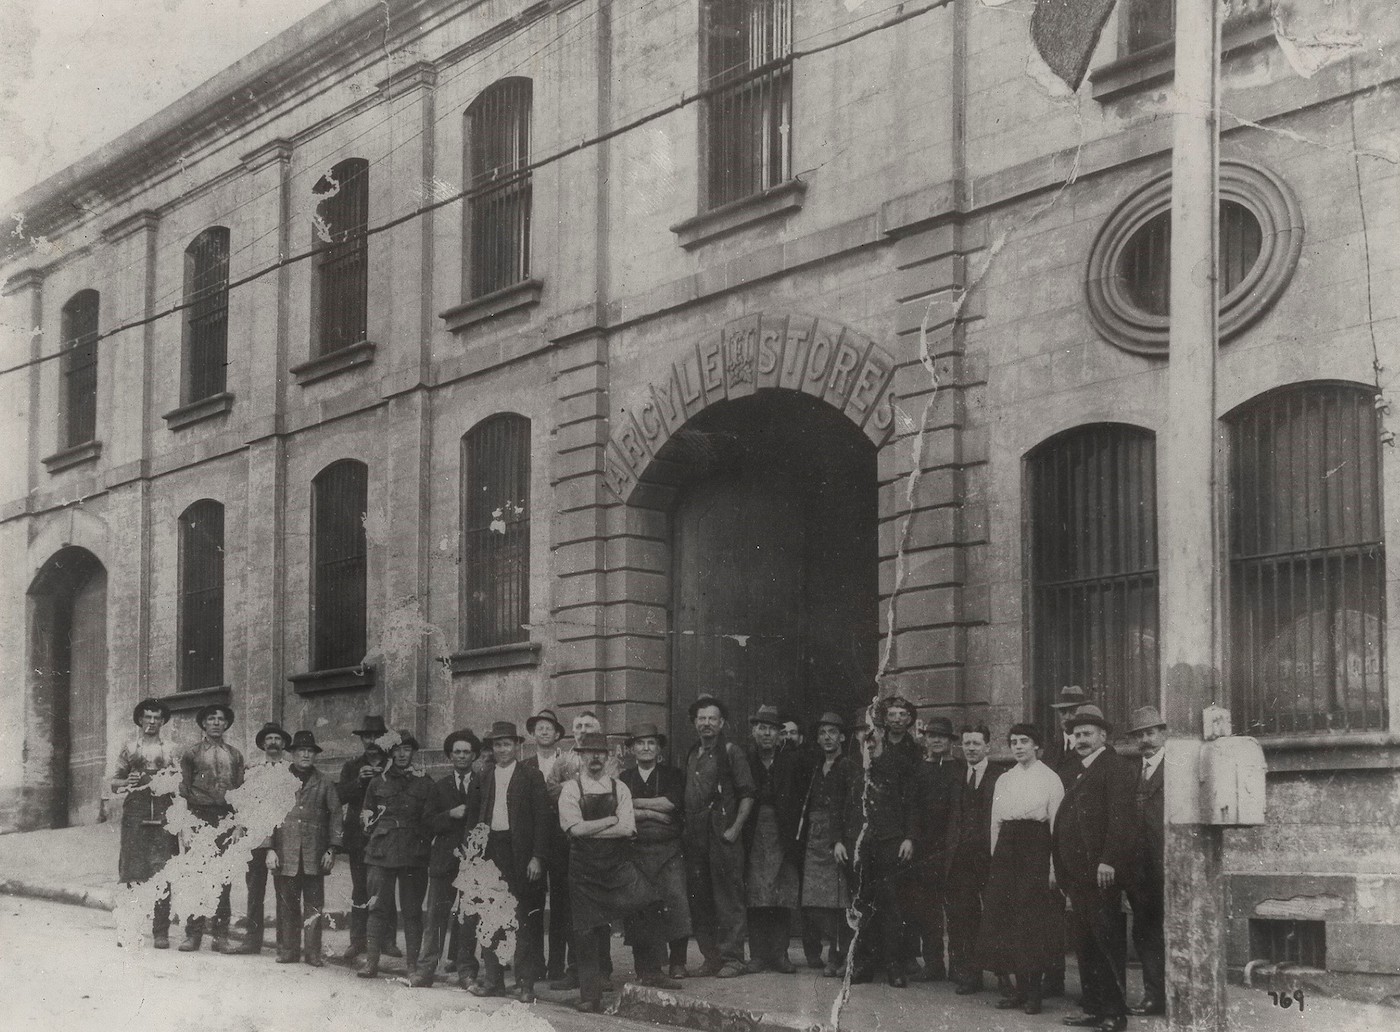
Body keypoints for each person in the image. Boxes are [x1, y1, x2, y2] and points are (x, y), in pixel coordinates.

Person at [560, 732, 679, 1012]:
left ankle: (650, 971)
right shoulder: (571, 789)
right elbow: (574, 829)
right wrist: (611, 819)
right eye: (588, 752)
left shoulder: (620, 788)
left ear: (609, 756)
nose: (595, 758)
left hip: (617, 867)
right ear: (580, 756)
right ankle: (590, 994)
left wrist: (595, 829)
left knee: (649, 902)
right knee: (586, 931)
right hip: (584, 873)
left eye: (600, 753)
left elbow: (628, 829)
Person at [1054, 705, 1139, 1032]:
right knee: (1085, 945)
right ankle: (1093, 1008)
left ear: (1103, 736)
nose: (1080, 739)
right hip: (1079, 875)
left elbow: (1123, 821)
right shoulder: (1079, 769)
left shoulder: (1114, 767)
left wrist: (1109, 860)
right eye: (1076, 734)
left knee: (1106, 945)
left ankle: (1114, 1015)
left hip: (1101, 874)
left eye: (1087, 734)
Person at [973, 723, 1065, 1014]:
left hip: (1036, 848)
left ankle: (1034, 993)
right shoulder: (1005, 779)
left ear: (1036, 745)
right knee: (1005, 918)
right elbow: (995, 823)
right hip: (1006, 852)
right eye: (1013, 742)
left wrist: (1053, 868)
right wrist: (995, 859)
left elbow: (1056, 826)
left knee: (1032, 921)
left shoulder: (1050, 779)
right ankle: (1016, 990)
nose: (1018, 746)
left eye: (1025, 741)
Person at [468, 720, 551, 1003]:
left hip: (521, 855)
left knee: (522, 919)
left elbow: (543, 820)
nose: (502, 749)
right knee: (490, 917)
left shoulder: (531, 776)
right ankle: (493, 980)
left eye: (507, 744)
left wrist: (537, 857)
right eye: (497, 744)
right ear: (491, 748)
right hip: (491, 853)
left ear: (517, 746)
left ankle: (526, 983)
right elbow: (474, 818)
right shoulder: (483, 776)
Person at [837, 715, 914, 987]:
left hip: (890, 844)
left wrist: (909, 838)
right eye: (862, 733)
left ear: (881, 732)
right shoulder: (852, 768)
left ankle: (894, 965)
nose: (868, 739)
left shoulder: (898, 765)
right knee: (862, 904)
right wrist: (839, 840)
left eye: (872, 733)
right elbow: (842, 808)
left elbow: (911, 805)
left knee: (891, 905)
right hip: (860, 846)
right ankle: (866, 964)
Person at [683, 694, 755, 978]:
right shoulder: (692, 754)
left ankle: (733, 958)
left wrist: (734, 829)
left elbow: (748, 794)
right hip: (695, 836)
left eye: (712, 718)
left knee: (729, 896)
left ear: (722, 722)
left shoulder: (731, 751)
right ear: (695, 724)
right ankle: (711, 958)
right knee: (700, 897)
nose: (706, 724)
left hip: (723, 834)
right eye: (701, 719)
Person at [619, 722, 692, 979]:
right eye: (640, 743)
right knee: (640, 906)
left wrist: (637, 806)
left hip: (669, 850)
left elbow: (671, 803)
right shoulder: (625, 778)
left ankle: (678, 961)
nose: (646, 748)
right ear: (632, 749)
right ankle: (646, 965)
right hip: (636, 851)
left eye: (651, 743)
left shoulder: (672, 774)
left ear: (659, 748)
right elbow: (622, 808)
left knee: (676, 900)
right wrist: (653, 812)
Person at [411, 728, 482, 988]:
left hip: (473, 861)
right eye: (457, 752)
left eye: (466, 752)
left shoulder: (483, 783)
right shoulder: (439, 786)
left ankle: (466, 971)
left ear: (474, 755)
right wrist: (450, 814)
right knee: (435, 919)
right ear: (450, 756)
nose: (462, 756)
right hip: (443, 862)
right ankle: (426, 969)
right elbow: (426, 822)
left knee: (469, 918)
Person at [357, 730, 432, 979]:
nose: (402, 754)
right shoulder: (378, 782)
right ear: (390, 753)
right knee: (377, 907)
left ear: (413, 752)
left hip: (413, 852)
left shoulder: (424, 781)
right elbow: (365, 814)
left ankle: (412, 967)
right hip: (381, 851)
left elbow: (431, 817)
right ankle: (371, 963)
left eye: (407, 749)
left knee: (412, 910)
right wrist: (368, 823)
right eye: (397, 750)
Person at [264, 731, 340, 966]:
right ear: (293, 754)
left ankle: (313, 953)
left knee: (314, 906)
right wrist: (269, 849)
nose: (306, 755)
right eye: (301, 751)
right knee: (288, 904)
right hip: (286, 852)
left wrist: (332, 849)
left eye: (310, 751)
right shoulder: (279, 780)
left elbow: (336, 815)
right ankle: (289, 950)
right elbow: (268, 816)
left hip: (314, 854)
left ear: (314, 755)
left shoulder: (325, 782)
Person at [111, 698, 180, 949]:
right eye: (147, 717)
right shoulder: (129, 748)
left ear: (162, 721)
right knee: (132, 870)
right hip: (135, 813)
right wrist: (126, 780)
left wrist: (172, 779)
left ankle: (160, 931)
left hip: (164, 813)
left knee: (162, 871)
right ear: (140, 720)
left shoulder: (172, 750)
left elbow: (182, 784)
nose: (151, 722)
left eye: (156, 718)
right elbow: (114, 782)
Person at [944, 722, 1006, 994]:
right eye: (966, 743)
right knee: (962, 916)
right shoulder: (957, 775)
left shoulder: (1000, 776)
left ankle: (1004, 976)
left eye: (976, 743)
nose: (970, 748)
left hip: (989, 858)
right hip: (960, 859)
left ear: (987, 747)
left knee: (995, 915)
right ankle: (967, 972)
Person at [178, 703, 245, 952]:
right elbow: (182, 790)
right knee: (197, 877)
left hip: (226, 818)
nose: (216, 723)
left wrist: (239, 825)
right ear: (203, 724)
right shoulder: (191, 753)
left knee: (223, 878)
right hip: (199, 816)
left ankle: (220, 936)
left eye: (221, 719)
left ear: (226, 724)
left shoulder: (235, 755)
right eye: (211, 719)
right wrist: (185, 826)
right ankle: (193, 934)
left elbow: (241, 793)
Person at [743, 704, 805, 974]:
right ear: (754, 732)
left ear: (780, 734)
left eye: (772, 729)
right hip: (754, 831)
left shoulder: (791, 761)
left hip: (784, 832)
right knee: (756, 893)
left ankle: (780, 954)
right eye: (762, 729)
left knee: (782, 892)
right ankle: (757, 956)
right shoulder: (746, 759)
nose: (766, 734)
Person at [336, 715, 397, 962]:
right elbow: (339, 796)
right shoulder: (352, 766)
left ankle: (388, 940)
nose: (371, 741)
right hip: (358, 838)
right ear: (362, 740)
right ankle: (357, 941)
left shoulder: (393, 764)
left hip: (385, 837)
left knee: (386, 888)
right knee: (360, 889)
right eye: (367, 737)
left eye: (376, 737)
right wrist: (358, 781)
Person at [797, 712, 852, 977]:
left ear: (842, 736)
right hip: (814, 838)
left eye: (832, 732)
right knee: (816, 902)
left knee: (839, 902)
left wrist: (840, 839)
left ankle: (839, 956)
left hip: (837, 838)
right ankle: (830, 952)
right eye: (822, 733)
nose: (827, 738)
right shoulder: (816, 767)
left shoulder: (848, 766)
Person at [229, 721, 291, 956]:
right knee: (255, 891)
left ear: (284, 744)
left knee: (283, 892)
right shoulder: (252, 771)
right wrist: (238, 827)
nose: (273, 743)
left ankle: (283, 943)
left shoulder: (291, 772)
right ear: (263, 744)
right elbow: (243, 802)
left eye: (277, 739)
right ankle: (252, 942)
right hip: (255, 837)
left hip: (283, 839)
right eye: (269, 739)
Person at [905, 715, 960, 981]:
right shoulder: (919, 771)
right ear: (925, 739)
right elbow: (913, 810)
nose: (937, 740)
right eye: (932, 736)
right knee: (928, 909)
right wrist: (913, 839)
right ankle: (934, 963)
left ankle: (960, 966)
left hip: (953, 847)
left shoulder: (959, 769)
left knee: (958, 908)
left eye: (942, 736)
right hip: (926, 849)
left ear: (950, 741)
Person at [523, 708, 572, 986]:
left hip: (562, 839)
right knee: (534, 901)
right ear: (533, 734)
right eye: (539, 727)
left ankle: (556, 966)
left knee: (562, 904)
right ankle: (536, 963)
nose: (544, 732)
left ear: (557, 734)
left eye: (549, 728)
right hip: (535, 843)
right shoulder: (525, 766)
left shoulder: (566, 764)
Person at [1125, 706, 1167, 1017]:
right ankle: (1154, 995)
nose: (1145, 739)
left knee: (1170, 929)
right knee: (1145, 931)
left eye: (1151, 732)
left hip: (1168, 866)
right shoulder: (1131, 771)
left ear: (1163, 733)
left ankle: (1175, 992)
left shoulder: (1177, 766)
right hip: (1139, 869)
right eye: (1140, 734)